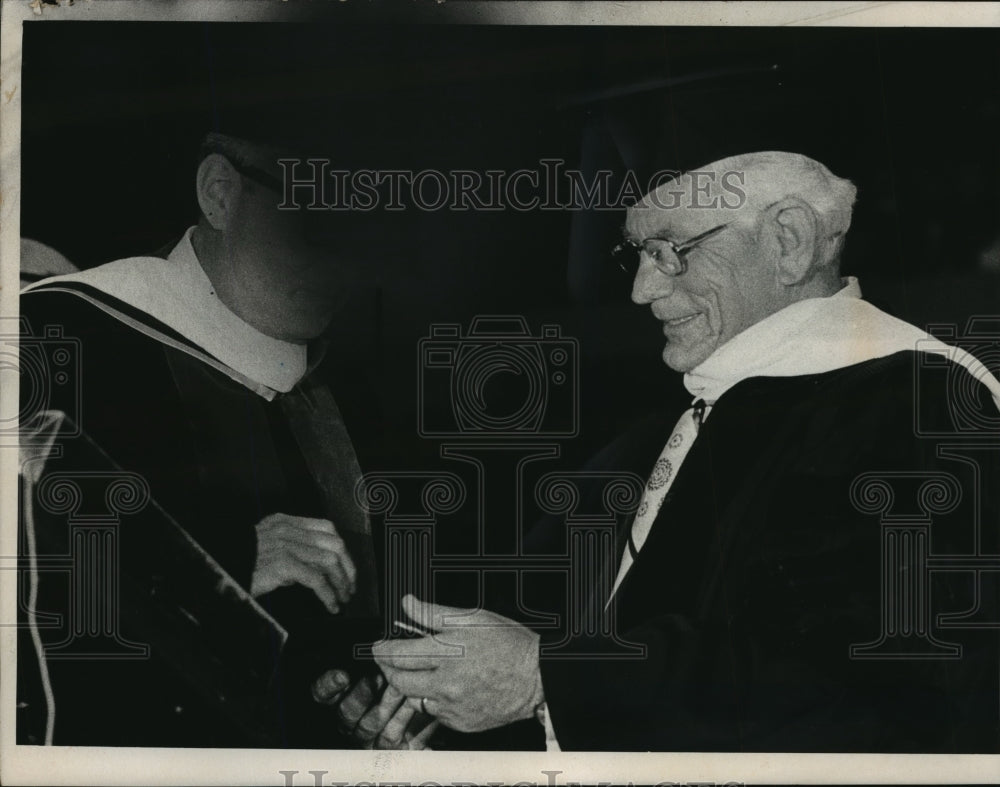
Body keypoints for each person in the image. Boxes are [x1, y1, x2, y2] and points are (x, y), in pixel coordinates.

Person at [317, 151, 1000, 752]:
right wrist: (417, 694)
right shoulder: (652, 436)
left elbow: (873, 679)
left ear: (789, 241)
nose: (643, 290)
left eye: (673, 249)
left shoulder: (921, 402)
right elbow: (541, 632)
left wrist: (543, 680)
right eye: (635, 255)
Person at [17, 132, 378, 747]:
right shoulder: (56, 339)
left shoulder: (359, 394)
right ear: (220, 193)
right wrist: (222, 564)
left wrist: (359, 695)